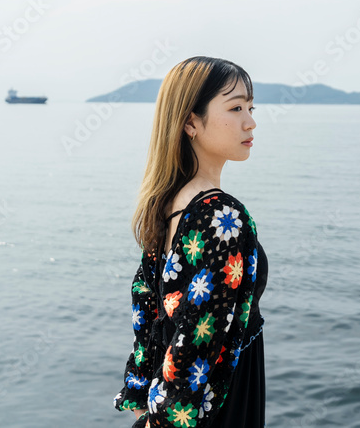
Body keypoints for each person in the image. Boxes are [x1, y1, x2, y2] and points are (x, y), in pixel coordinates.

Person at [113, 56, 268, 428]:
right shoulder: (222, 216)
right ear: (190, 122)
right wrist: (163, 421)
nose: (250, 121)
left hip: (172, 408)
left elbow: (148, 308)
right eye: (235, 108)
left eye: (251, 108)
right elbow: (199, 336)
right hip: (215, 410)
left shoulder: (168, 204)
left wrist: (141, 395)